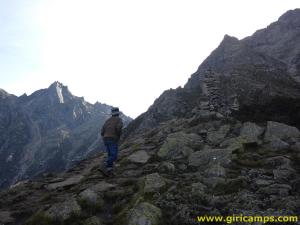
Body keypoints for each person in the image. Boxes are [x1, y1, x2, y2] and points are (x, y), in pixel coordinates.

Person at [101, 107, 123, 175]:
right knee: (114, 155)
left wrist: (105, 135)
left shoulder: (107, 120)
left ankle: (109, 169)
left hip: (105, 139)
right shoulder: (119, 120)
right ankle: (105, 163)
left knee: (110, 154)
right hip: (113, 138)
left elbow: (102, 131)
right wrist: (118, 136)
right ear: (118, 114)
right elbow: (118, 129)